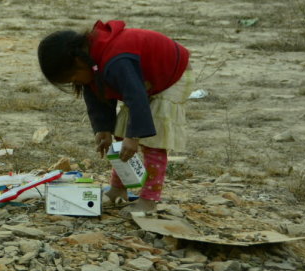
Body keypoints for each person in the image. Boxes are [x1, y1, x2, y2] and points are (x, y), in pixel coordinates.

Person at [37, 20, 192, 213]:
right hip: (142, 82)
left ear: (78, 62)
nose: (75, 83)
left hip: (170, 74)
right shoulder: (91, 62)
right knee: (121, 138)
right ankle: (119, 189)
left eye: (73, 79)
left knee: (153, 142)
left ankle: (149, 200)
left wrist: (134, 136)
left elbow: (136, 96)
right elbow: (97, 95)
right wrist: (104, 129)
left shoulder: (116, 60)